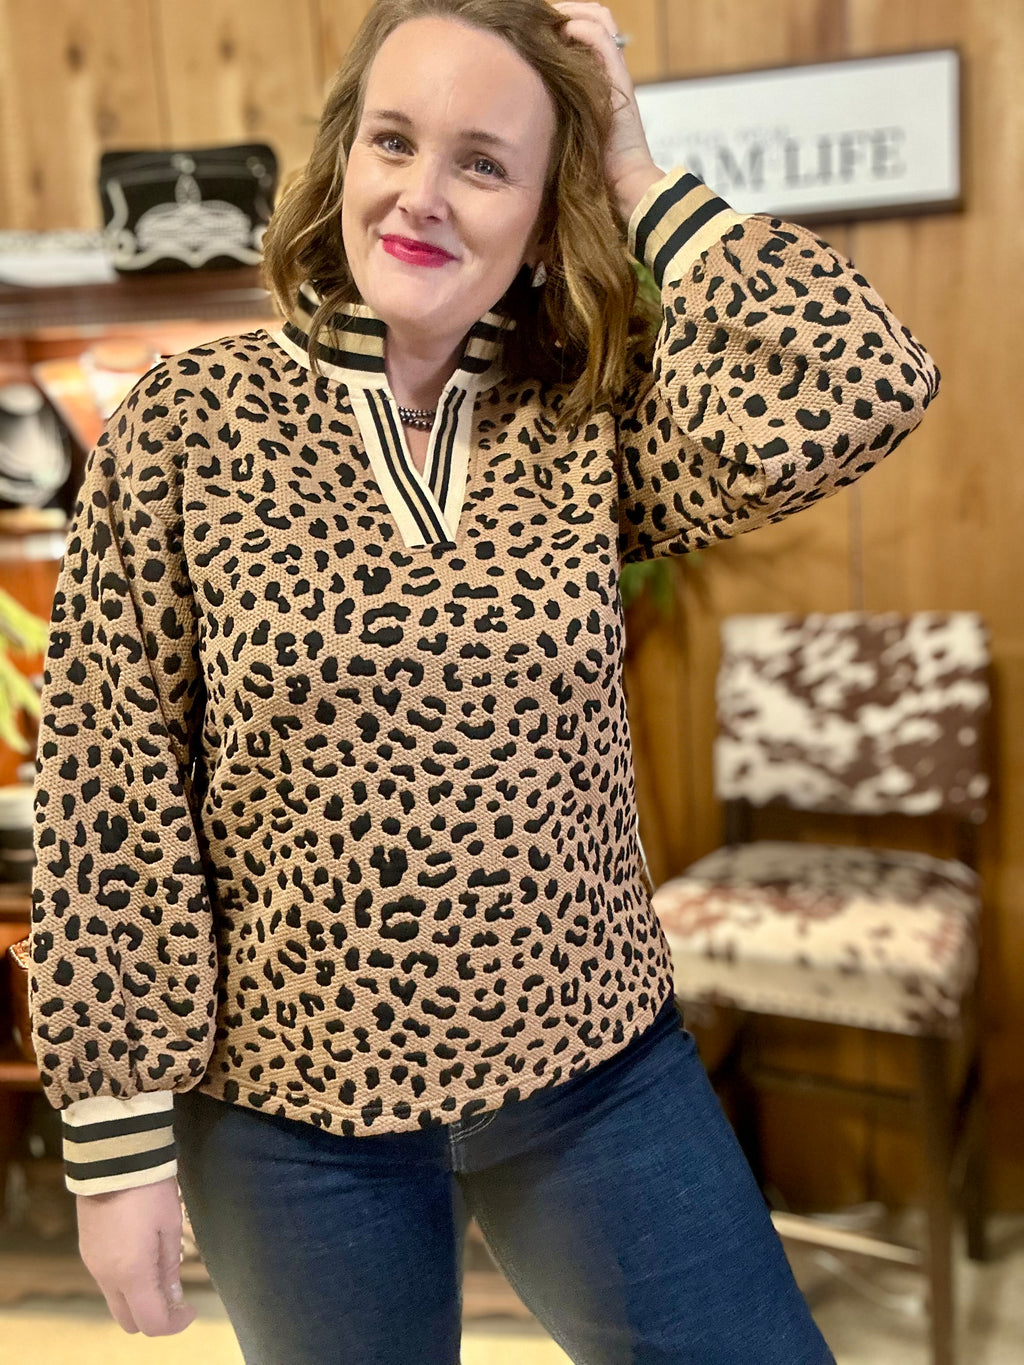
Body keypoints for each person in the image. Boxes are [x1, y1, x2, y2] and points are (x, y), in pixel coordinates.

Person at [27, 1, 938, 1361]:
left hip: (595, 1073)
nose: (422, 194)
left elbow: (862, 380)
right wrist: (114, 1142)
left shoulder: (581, 419)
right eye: (393, 141)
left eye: (484, 163)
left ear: (543, 219)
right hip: (293, 1114)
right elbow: (109, 783)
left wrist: (633, 167)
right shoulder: (186, 422)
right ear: (343, 157)